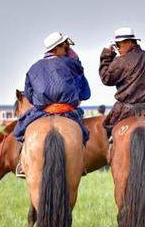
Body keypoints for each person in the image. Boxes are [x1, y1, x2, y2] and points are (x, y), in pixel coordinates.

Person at [13, 31, 91, 177]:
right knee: (83, 133)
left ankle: (22, 164)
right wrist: (74, 57)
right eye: (64, 48)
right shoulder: (71, 64)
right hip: (67, 111)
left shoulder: (33, 67)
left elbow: (28, 94)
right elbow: (84, 92)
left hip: (42, 111)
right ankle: (81, 163)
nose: (66, 51)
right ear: (57, 48)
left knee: (20, 131)